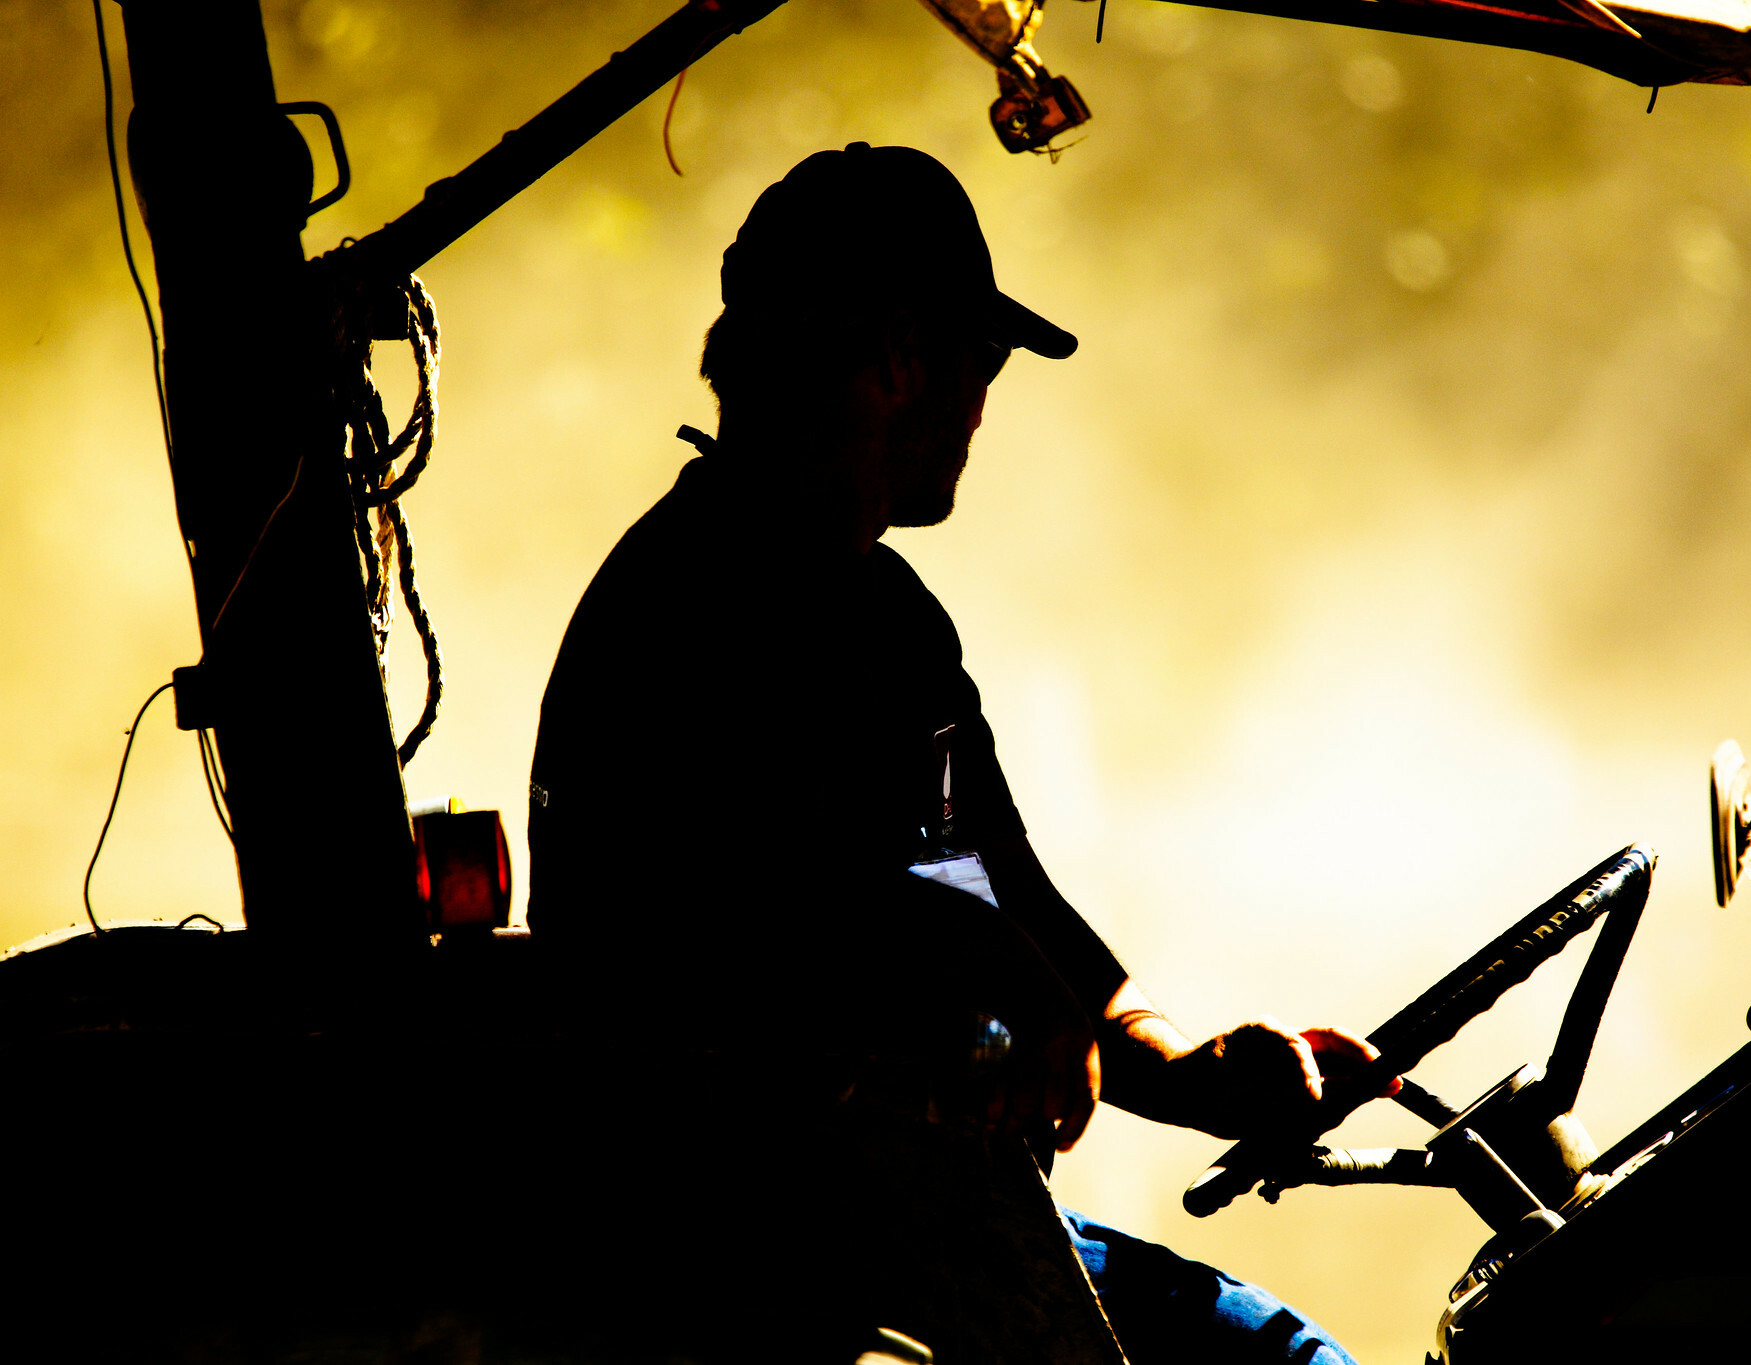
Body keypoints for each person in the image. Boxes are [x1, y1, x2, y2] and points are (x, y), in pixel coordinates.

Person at [528, 142, 1392, 1363]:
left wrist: (1185, 1065)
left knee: (1286, 1357)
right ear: (894, 363)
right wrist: (989, 963)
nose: (983, 405)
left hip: (914, 1211)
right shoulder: (678, 606)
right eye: (979, 363)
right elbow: (732, 912)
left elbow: (1003, 895)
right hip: (745, 1249)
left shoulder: (892, 621)